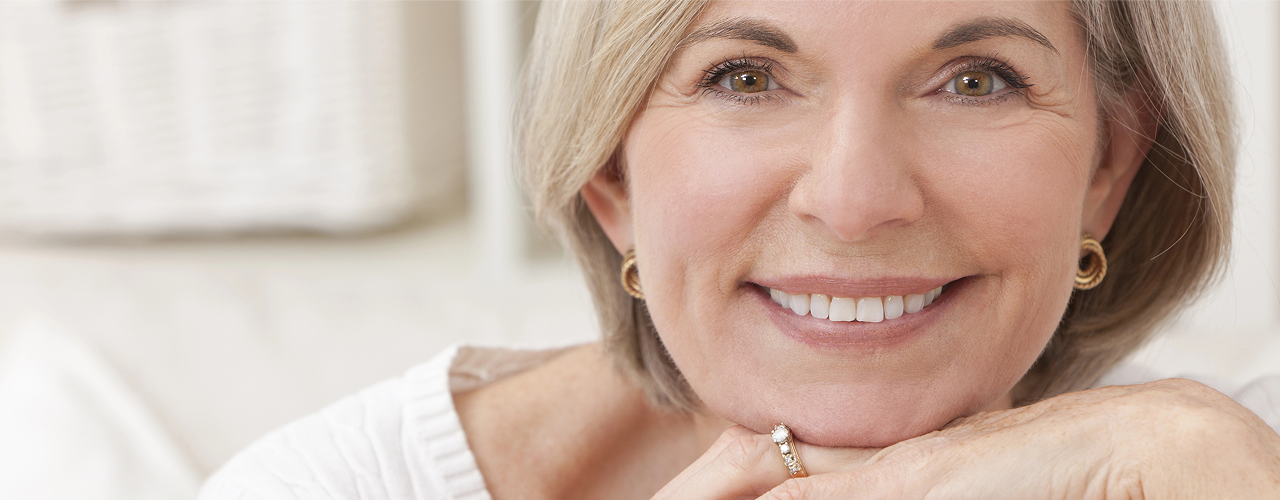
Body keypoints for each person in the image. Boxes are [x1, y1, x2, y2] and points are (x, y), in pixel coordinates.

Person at [200, 0, 1280, 498]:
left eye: (975, 80)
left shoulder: (1228, 461)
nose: (854, 202)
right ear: (610, 174)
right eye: (745, 78)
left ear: (1107, 166)